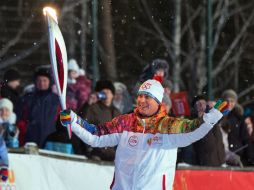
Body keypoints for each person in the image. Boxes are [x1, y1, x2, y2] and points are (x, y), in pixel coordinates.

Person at [60, 79, 227, 190]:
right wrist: (74, 121)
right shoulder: (125, 122)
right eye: (140, 97)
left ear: (158, 101)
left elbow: (193, 129)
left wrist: (212, 116)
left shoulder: (166, 126)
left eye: (148, 97)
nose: (142, 101)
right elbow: (95, 135)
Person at [16, 66, 60, 148]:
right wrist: (25, 129)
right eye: (39, 80)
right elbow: (20, 118)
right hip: (30, 140)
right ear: (35, 82)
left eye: (44, 80)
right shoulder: (27, 99)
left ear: (50, 82)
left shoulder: (57, 100)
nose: (41, 83)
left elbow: (63, 121)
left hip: (50, 140)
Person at [80, 80, 121, 161]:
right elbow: (81, 121)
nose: (106, 94)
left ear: (112, 95)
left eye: (108, 91)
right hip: (96, 150)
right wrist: (88, 104)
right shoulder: (93, 108)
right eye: (103, 92)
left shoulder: (117, 112)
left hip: (111, 152)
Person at [191, 95, 225, 166]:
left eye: (203, 103)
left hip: (220, 162)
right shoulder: (192, 122)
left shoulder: (213, 118)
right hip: (204, 164)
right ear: (194, 108)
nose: (201, 105)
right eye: (198, 103)